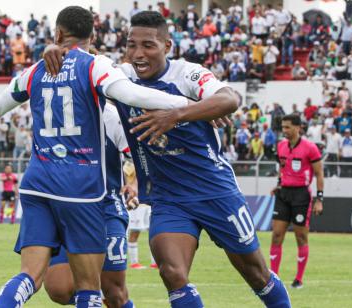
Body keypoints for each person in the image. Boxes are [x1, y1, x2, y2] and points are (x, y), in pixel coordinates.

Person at [43, 10, 291, 308]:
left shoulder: (186, 73)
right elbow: (84, 59)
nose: (138, 53)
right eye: (132, 45)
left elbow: (230, 99)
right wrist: (53, 49)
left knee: (256, 274)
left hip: (215, 191)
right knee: (172, 273)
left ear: (167, 47)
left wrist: (177, 114)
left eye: (148, 45)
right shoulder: (120, 77)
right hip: (168, 199)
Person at [0, 6, 189, 307]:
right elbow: (132, 94)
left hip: (37, 184)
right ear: (93, 35)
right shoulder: (93, 66)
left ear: (58, 34)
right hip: (81, 189)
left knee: (29, 277)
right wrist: (191, 106)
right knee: (87, 289)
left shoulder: (34, 70)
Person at [43, 103, 136, 307]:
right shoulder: (55, 109)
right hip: (66, 209)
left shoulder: (112, 115)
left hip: (106, 208)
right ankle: (92, 294)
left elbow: (135, 156)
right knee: (59, 288)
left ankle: (96, 294)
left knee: (115, 292)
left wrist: (133, 183)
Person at [270, 114, 324, 289]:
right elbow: (282, 168)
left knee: (301, 237)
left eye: (287, 127)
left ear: (298, 127)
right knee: (277, 235)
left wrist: (319, 199)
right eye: (283, 127)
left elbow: (319, 174)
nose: (284, 131)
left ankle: (298, 279)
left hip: (301, 195)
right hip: (284, 194)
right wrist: (278, 184)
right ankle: (274, 280)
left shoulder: (310, 148)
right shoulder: (281, 146)